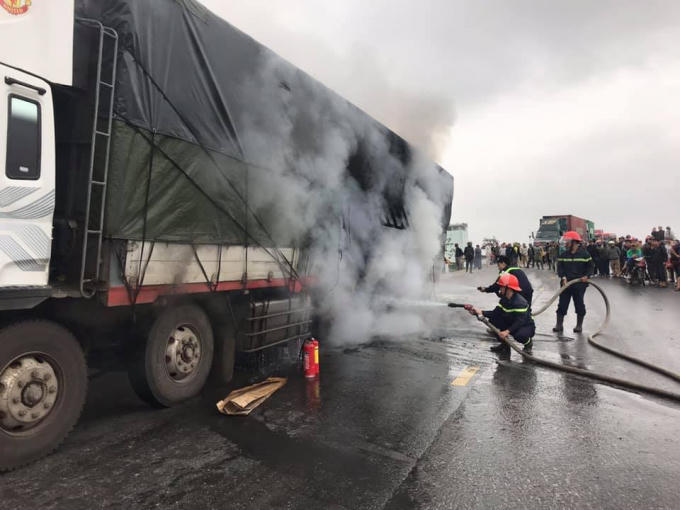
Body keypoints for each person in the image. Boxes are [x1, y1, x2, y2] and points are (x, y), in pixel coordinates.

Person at [466, 272, 535, 354]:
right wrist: (479, 312)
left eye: (502, 287)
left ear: (508, 288)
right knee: (493, 320)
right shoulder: (504, 299)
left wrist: (507, 331)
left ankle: (528, 344)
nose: (500, 289)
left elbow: (520, 321)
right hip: (512, 322)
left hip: (525, 325)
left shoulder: (519, 302)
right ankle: (504, 345)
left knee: (519, 335)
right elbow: (495, 313)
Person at [554, 231, 594, 334]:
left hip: (579, 284)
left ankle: (579, 325)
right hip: (566, 283)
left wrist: (587, 276)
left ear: (574, 242)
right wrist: (563, 277)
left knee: (579, 304)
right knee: (562, 304)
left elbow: (591, 267)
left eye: (567, 241)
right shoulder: (563, 255)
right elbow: (560, 268)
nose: (565, 243)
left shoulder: (585, 254)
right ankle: (559, 324)